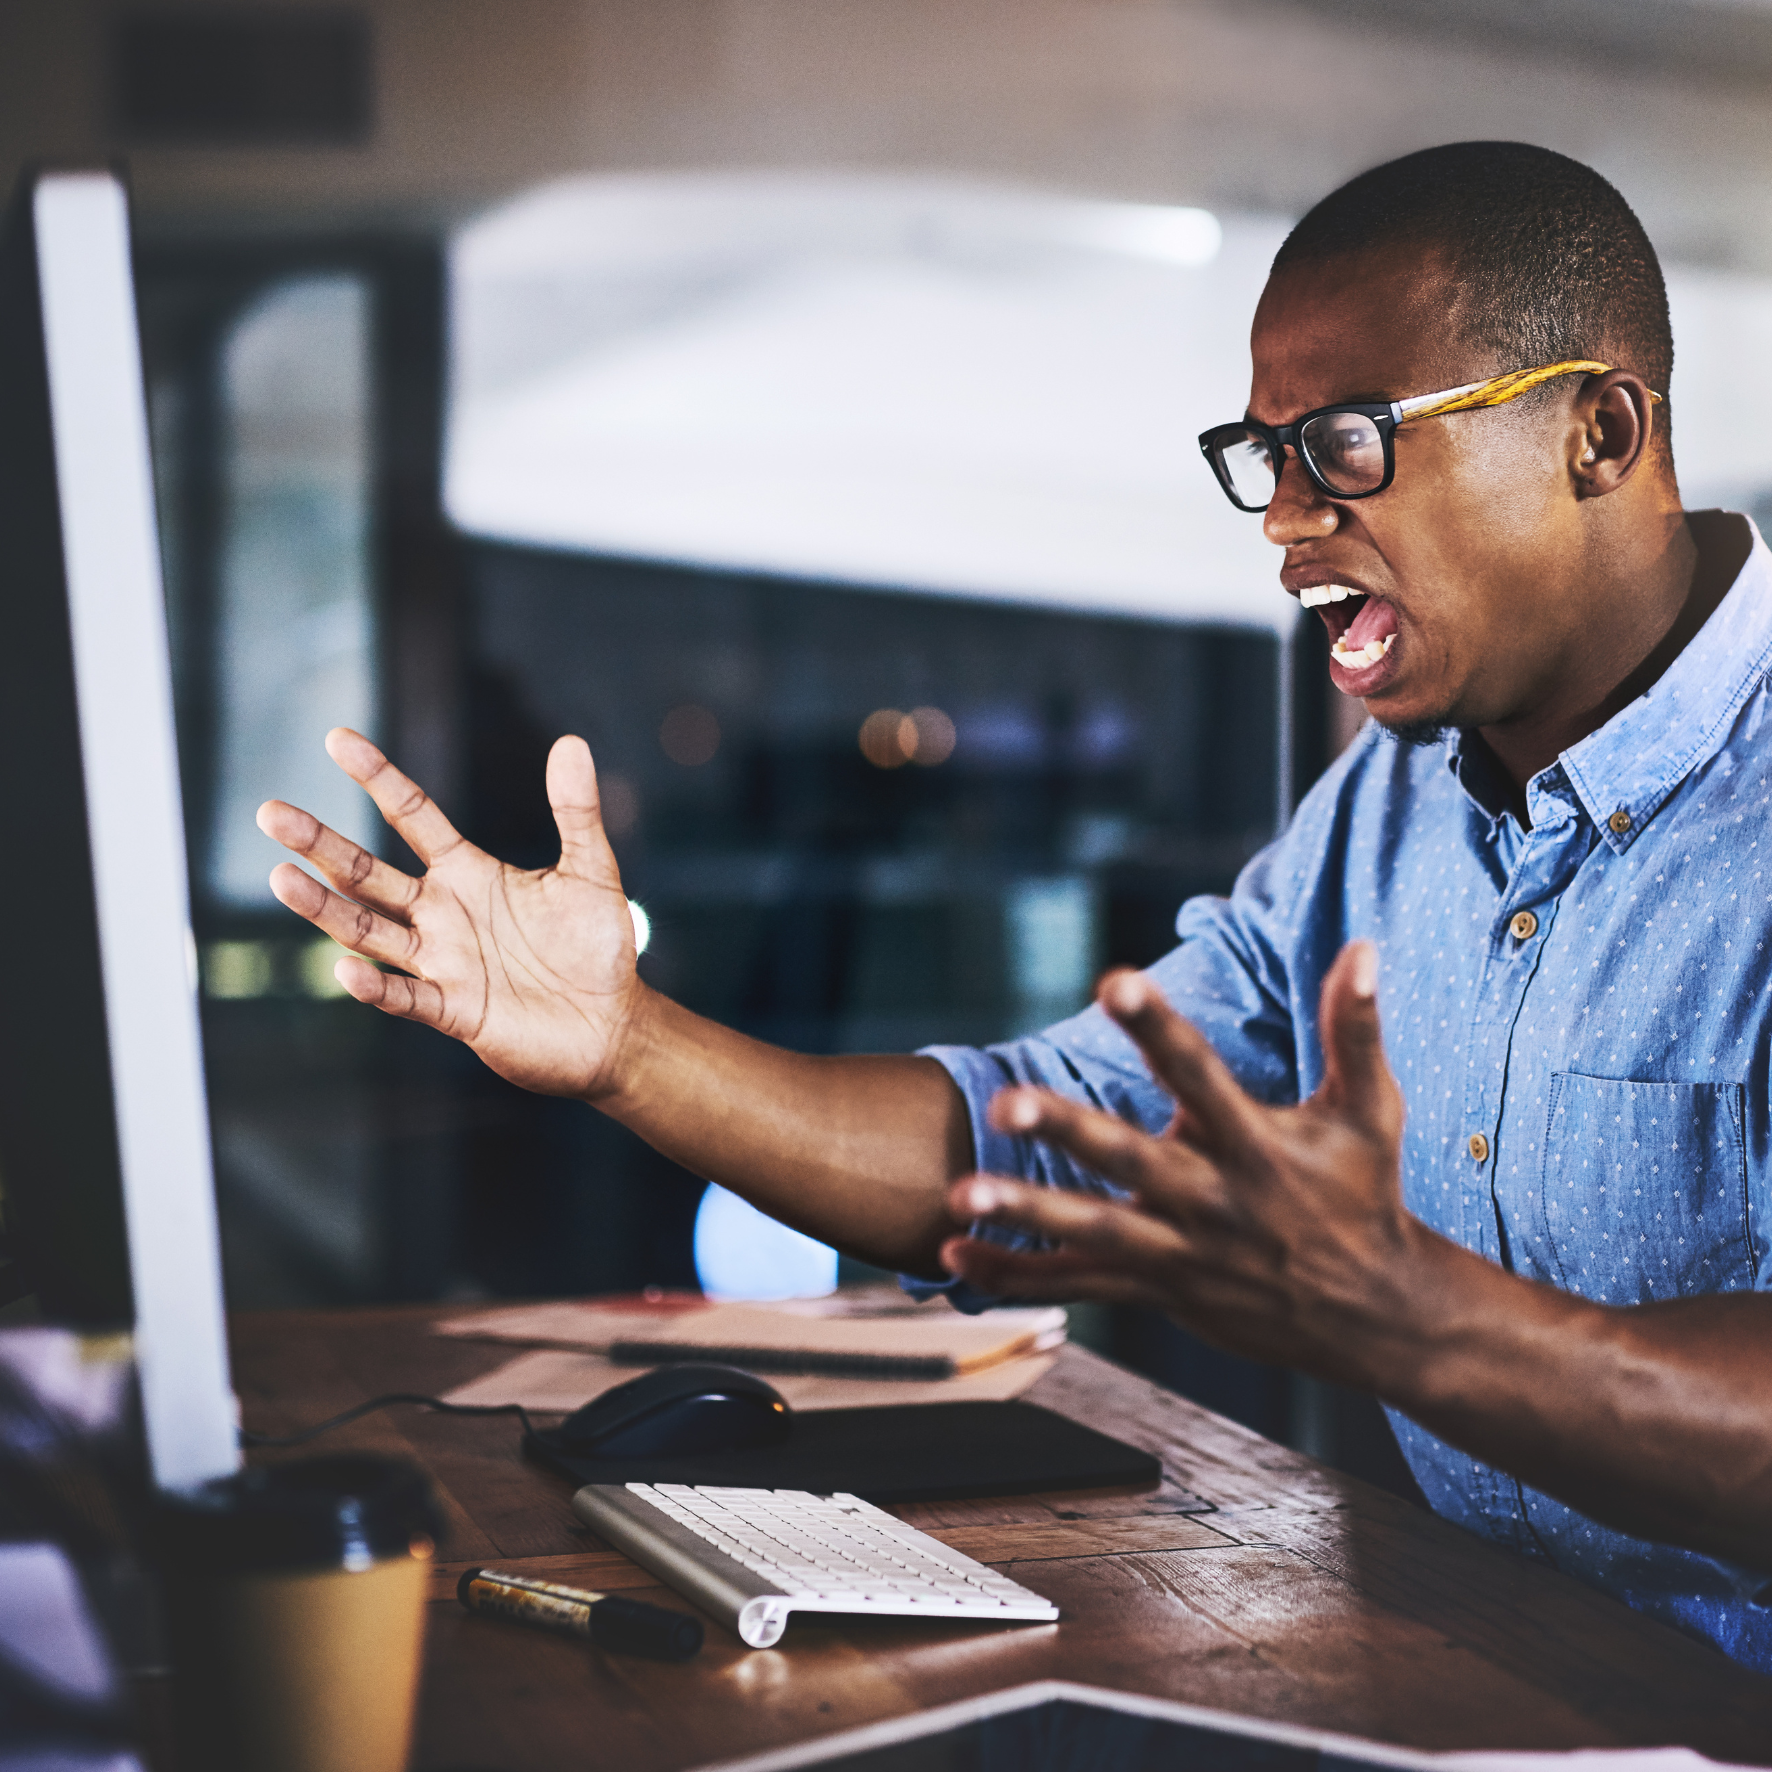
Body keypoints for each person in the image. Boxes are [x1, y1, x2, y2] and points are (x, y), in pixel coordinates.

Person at [259, 141, 1772, 1666]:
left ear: (1599, 432)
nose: (1283, 519)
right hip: (1499, 1683)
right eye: (1265, 456)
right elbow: (1036, 1143)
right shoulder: (1386, 815)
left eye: (1348, 443)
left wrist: (1402, 1313)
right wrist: (624, 1044)